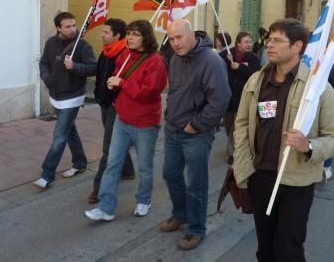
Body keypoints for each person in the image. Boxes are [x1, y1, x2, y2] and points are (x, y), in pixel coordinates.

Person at [233, 18, 334, 262]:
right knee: (265, 248)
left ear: (297, 46)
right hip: (260, 177)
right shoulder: (256, 81)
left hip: (297, 183)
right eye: (269, 39)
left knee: (289, 248)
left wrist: (309, 146)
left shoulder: (317, 87)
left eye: (277, 40)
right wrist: (243, 165)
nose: (269, 45)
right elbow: (241, 125)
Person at [84, 20, 167, 221]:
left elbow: (150, 91)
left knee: (145, 167)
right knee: (112, 163)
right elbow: (118, 75)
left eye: (136, 34)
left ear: (145, 37)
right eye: (129, 33)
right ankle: (106, 207)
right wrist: (115, 85)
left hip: (145, 123)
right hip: (122, 119)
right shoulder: (125, 54)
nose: (130, 37)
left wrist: (123, 83)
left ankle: (144, 200)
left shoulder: (156, 61)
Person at [160, 19, 231, 251]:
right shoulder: (175, 58)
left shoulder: (212, 61)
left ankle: (196, 228)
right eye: (171, 39)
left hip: (196, 133)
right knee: (170, 174)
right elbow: (175, 90)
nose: (175, 43)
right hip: (173, 129)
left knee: (196, 183)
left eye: (179, 37)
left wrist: (198, 124)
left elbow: (220, 99)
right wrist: (170, 112)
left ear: (192, 35)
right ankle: (180, 214)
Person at [34, 12, 97, 189]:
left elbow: (93, 67)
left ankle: (47, 175)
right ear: (58, 28)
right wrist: (47, 79)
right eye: (67, 26)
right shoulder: (51, 43)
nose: (72, 29)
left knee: (59, 135)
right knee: (70, 131)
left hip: (72, 96)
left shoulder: (82, 45)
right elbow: (43, 63)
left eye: (74, 25)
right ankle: (80, 162)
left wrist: (75, 66)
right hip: (55, 95)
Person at [88, 19, 134, 204]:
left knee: (108, 147)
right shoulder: (106, 52)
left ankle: (99, 188)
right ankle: (128, 171)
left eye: (106, 32)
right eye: (103, 31)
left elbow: (128, 83)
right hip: (104, 104)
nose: (102, 35)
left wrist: (117, 100)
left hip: (116, 107)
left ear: (117, 36)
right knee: (116, 140)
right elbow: (100, 75)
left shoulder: (126, 55)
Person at [220, 31, 260, 165]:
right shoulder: (227, 54)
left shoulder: (253, 58)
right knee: (228, 124)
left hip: (243, 97)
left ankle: (234, 152)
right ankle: (233, 146)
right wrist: (226, 60)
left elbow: (256, 74)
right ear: (238, 43)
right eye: (246, 42)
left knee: (238, 126)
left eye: (250, 42)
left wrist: (240, 67)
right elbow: (216, 67)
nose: (249, 44)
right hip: (228, 97)